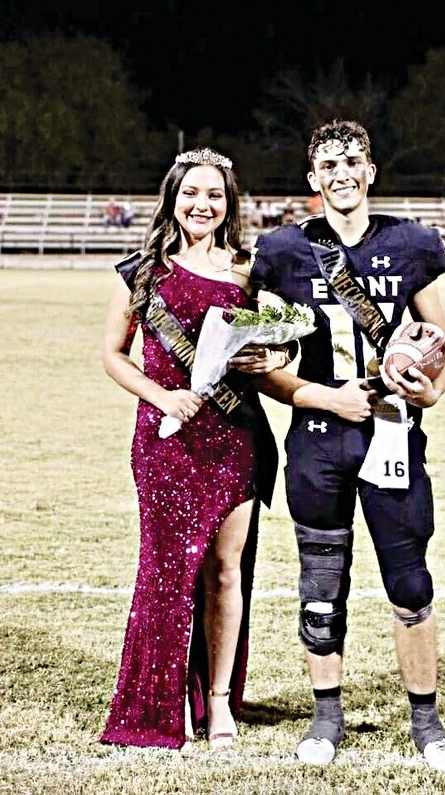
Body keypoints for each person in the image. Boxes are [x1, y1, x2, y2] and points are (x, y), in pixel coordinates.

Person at [248, 119, 445, 772]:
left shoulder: (409, 243)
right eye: (328, 165)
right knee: (320, 585)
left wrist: (433, 393)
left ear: (369, 170)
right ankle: (325, 718)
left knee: (409, 581)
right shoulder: (284, 250)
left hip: (393, 433)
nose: (341, 173)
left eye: (352, 161)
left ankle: (427, 725)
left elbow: (442, 343)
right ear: (313, 179)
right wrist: (320, 395)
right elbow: (259, 360)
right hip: (318, 440)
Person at [100, 147, 294, 750]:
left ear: (229, 202)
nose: (201, 204)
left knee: (225, 573)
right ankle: (158, 704)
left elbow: (274, 349)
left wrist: (278, 355)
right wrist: (162, 395)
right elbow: (112, 354)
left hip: (234, 436)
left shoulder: (247, 270)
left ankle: (217, 702)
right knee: (166, 573)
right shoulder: (145, 271)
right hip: (165, 441)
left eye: (214, 194)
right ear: (173, 197)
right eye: (191, 193)